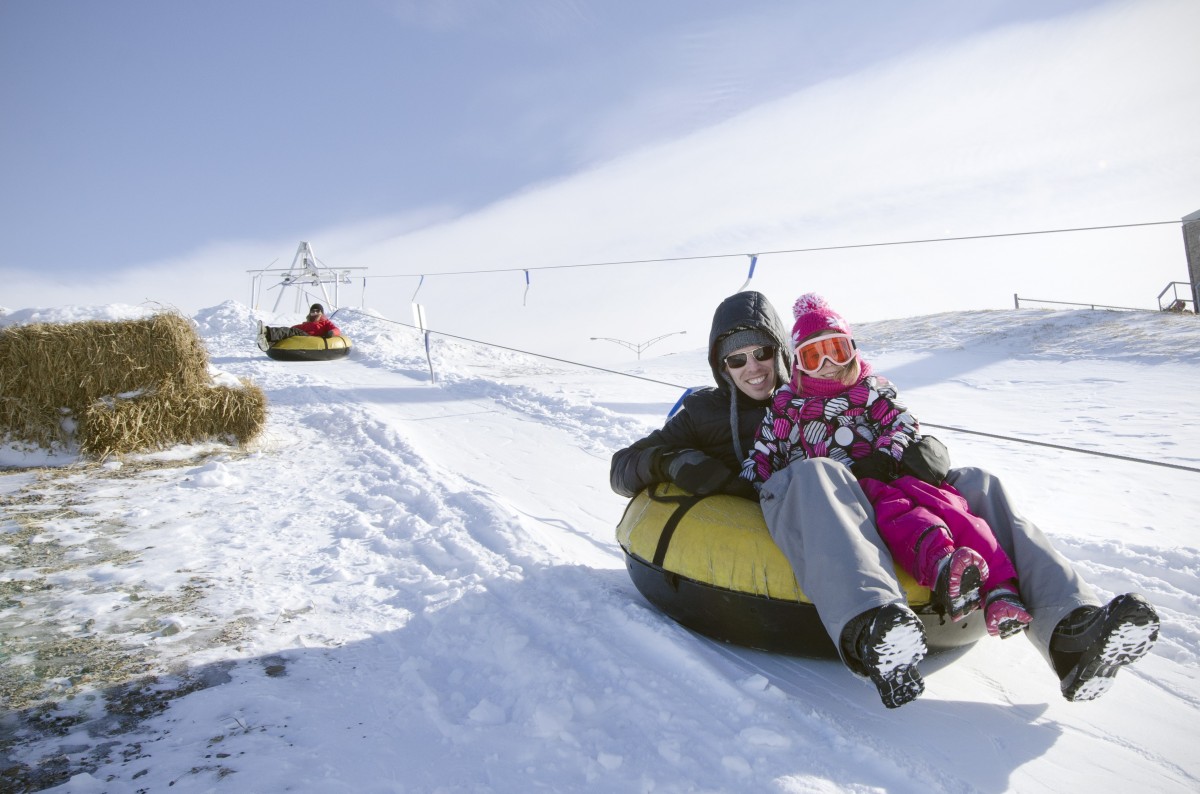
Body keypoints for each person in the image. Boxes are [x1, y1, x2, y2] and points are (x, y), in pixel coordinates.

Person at [609, 290, 1160, 709]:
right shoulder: (704, 411)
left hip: (869, 495)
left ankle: (1072, 631)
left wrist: (924, 449)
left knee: (978, 482)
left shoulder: (817, 385)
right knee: (818, 472)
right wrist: (673, 461)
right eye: (736, 360)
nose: (752, 367)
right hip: (786, 499)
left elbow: (887, 421)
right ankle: (874, 625)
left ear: (783, 353)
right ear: (719, 366)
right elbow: (623, 466)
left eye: (762, 353)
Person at [741, 293, 1033, 643]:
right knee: (897, 513)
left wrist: (885, 455)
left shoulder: (871, 392)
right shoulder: (788, 407)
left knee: (947, 504)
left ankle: (998, 588)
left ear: (853, 349)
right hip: (838, 499)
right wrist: (749, 483)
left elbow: (902, 423)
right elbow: (764, 452)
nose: (828, 364)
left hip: (887, 477)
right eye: (814, 356)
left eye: (837, 350)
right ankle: (940, 564)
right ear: (799, 363)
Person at [257, 303, 341, 351]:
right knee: (287, 332)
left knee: (292, 332)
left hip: (311, 339)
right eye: (313, 311)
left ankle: (266, 332)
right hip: (303, 336)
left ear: (321, 313)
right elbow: (293, 329)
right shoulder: (307, 324)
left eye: (317, 311)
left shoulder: (325, 323)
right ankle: (267, 343)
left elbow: (336, 329)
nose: (315, 313)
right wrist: (289, 330)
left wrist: (331, 333)